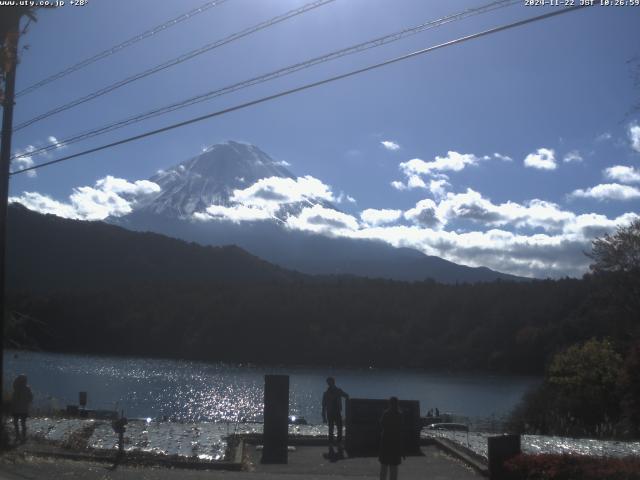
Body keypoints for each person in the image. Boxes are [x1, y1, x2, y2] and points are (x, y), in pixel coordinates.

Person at [379, 397, 404, 480]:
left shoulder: (386, 414)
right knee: (394, 467)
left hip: (386, 441)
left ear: (389, 404)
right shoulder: (399, 415)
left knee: (384, 466)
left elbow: (382, 425)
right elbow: (401, 430)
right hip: (395, 442)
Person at [322, 377, 348, 443]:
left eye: (329, 382)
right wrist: (324, 417)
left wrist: (324, 417)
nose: (329, 384)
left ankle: (337, 442)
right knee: (333, 428)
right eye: (328, 382)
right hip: (331, 412)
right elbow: (324, 406)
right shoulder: (327, 393)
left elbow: (346, 396)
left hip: (335, 412)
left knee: (338, 428)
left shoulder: (336, 391)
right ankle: (333, 442)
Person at [11, 374, 33, 443]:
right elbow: (31, 398)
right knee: (22, 423)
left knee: (16, 422)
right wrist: (26, 402)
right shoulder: (27, 388)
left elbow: (13, 399)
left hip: (17, 408)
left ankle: (18, 436)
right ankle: (23, 437)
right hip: (23, 409)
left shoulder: (16, 388)